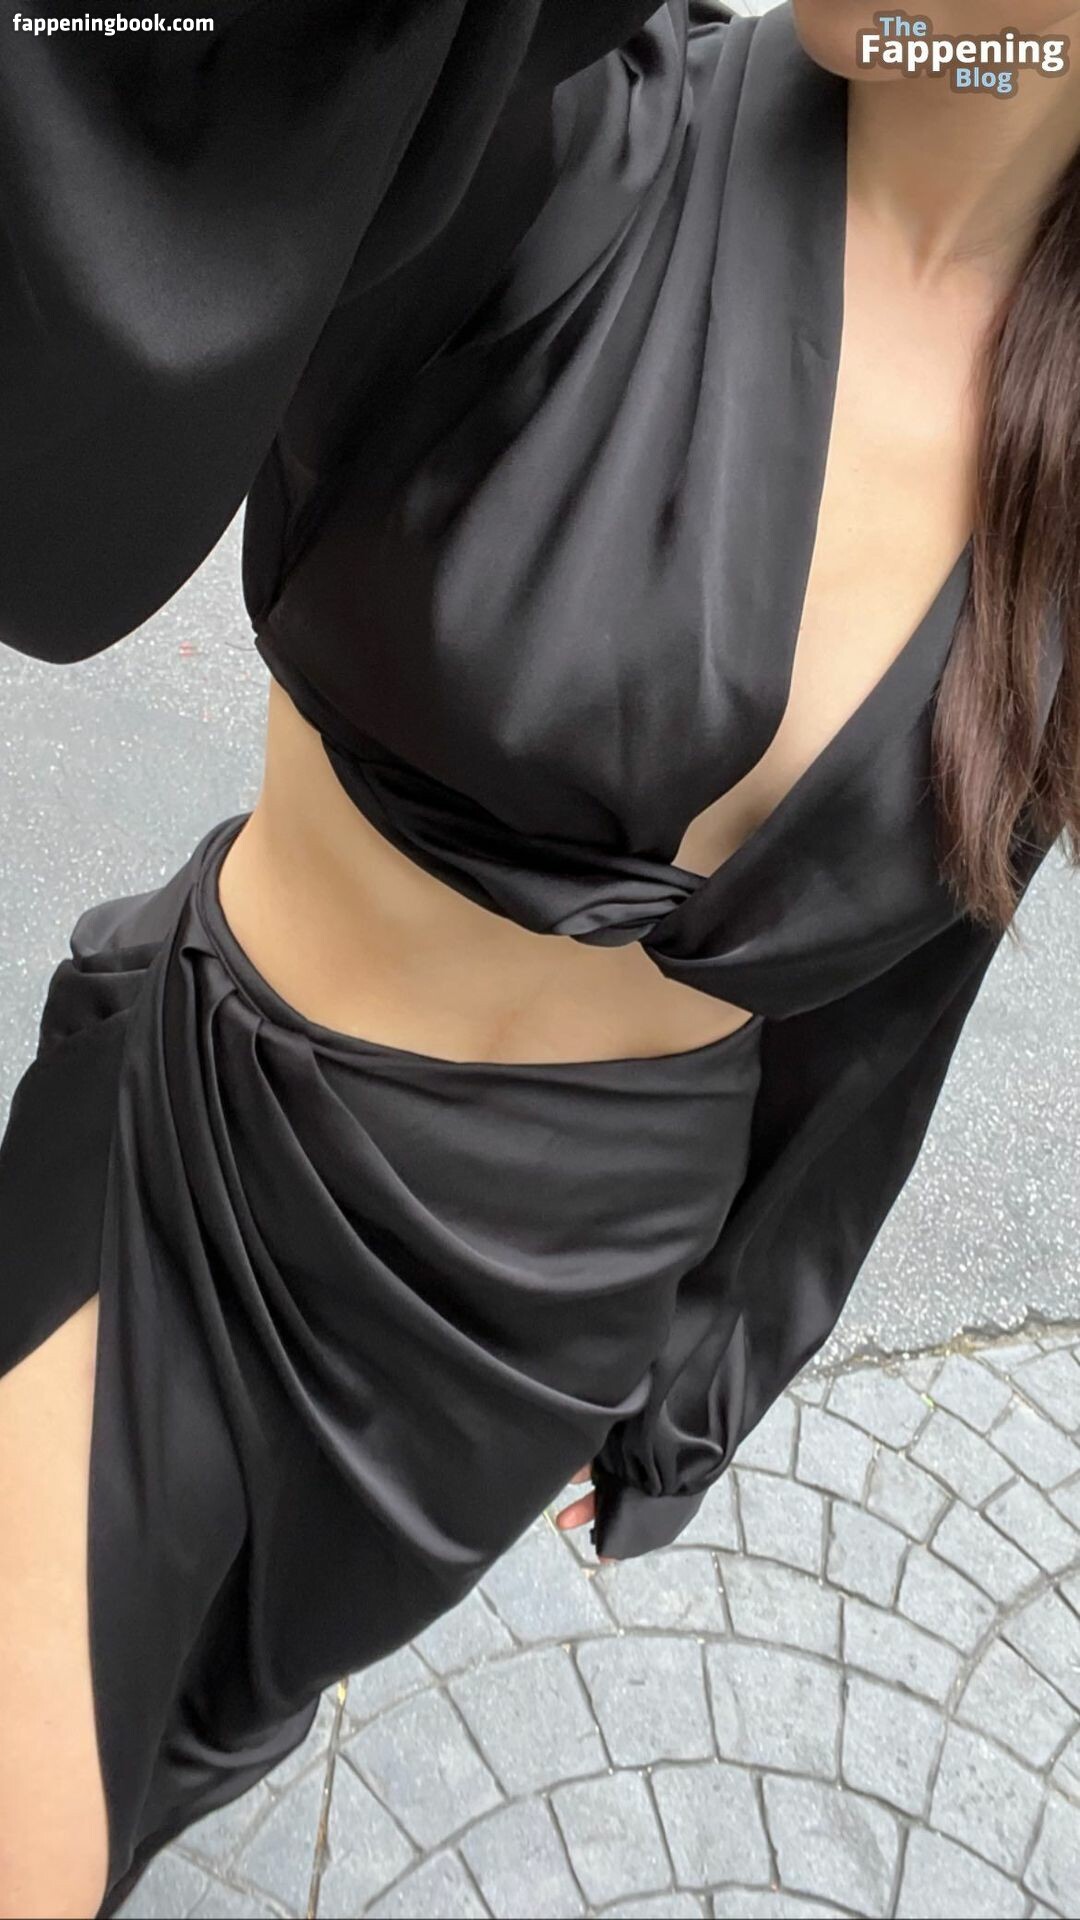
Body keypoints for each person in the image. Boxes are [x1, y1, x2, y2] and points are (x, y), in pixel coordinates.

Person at [1, 1, 1077, 1913]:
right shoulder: (575, 120)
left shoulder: (1059, 484)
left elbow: (906, 1000)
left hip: (536, 1325)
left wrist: (705, 1367)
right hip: (198, 1162)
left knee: (183, 1733)